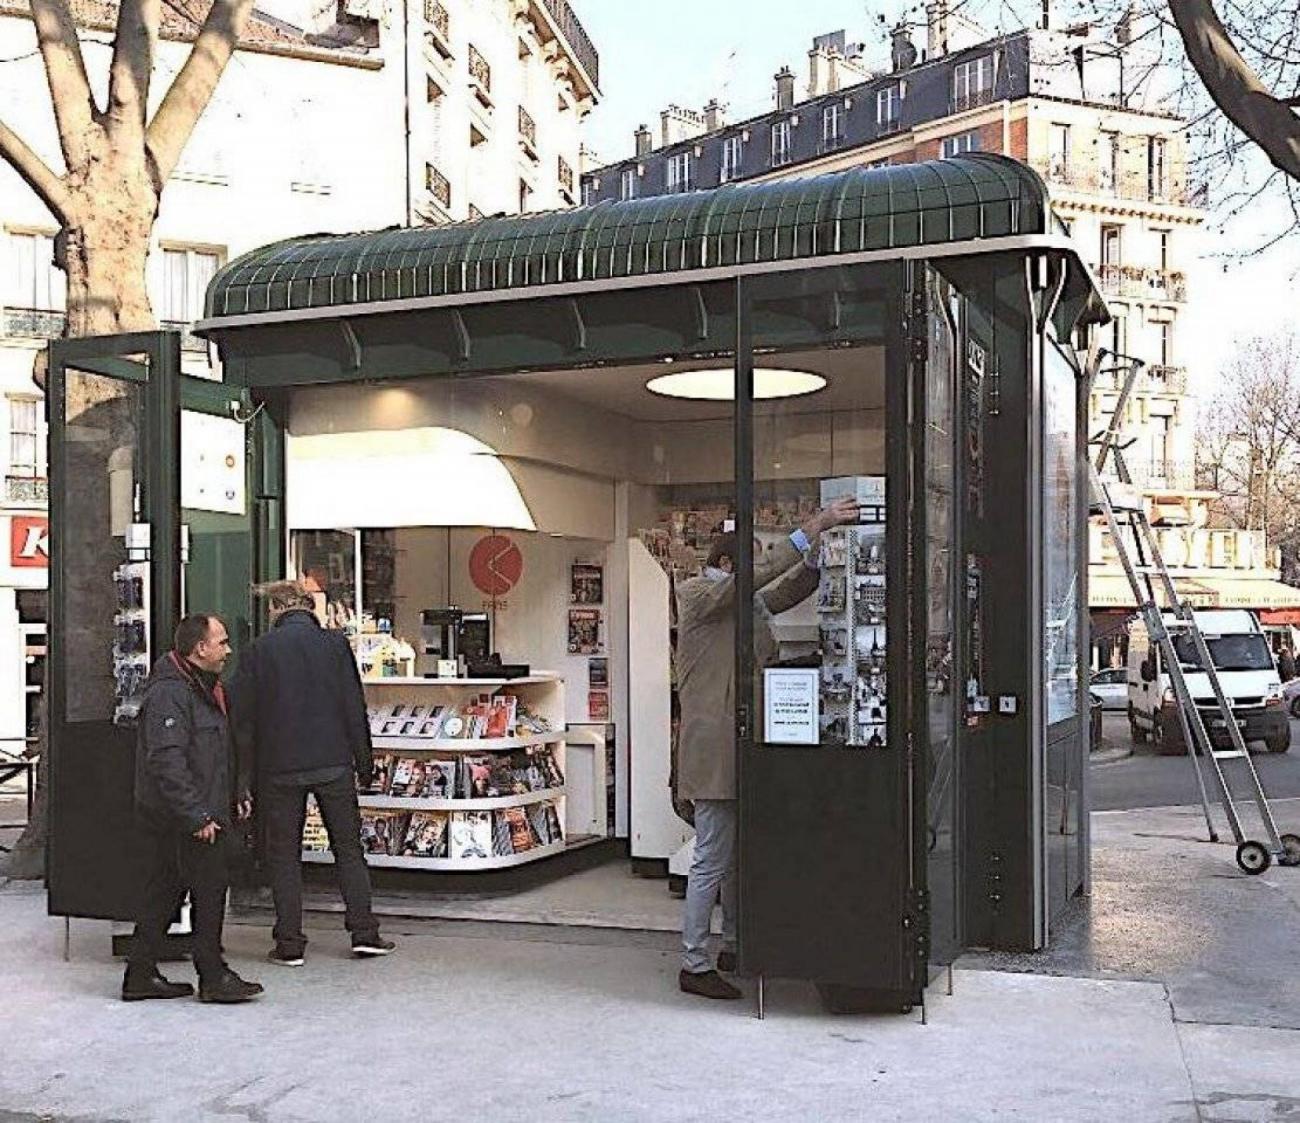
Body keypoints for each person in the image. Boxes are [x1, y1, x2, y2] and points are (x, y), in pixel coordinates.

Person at [675, 499, 859, 1000]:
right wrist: (812, 526)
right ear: (731, 565)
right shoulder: (696, 595)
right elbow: (760, 583)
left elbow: (787, 588)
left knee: (734, 857)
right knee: (711, 857)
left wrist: (822, 558)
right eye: (750, 562)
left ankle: (734, 943)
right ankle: (693, 960)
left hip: (741, 744)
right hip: (714, 751)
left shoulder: (739, 601)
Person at [231, 581, 394, 966]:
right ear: (308, 607)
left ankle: (289, 942)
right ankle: (364, 932)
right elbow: (353, 706)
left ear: (277, 608)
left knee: (283, 856)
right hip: (333, 762)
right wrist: (365, 763)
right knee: (349, 850)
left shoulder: (257, 651)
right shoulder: (335, 646)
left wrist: (243, 778)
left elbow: (244, 720)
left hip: (279, 768)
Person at [123, 614, 264, 1004]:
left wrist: (236, 792)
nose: (228, 650)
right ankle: (213, 975)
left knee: (165, 893)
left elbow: (217, 752)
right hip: (183, 818)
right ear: (199, 648)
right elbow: (167, 760)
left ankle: (140, 973)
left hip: (200, 811)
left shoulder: (205, 688)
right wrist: (196, 815)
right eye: (221, 642)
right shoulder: (171, 693)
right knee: (208, 890)